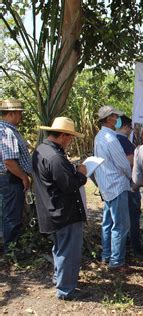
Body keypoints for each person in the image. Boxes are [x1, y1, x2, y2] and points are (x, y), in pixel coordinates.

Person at [32, 117, 88, 300]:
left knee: (60, 248)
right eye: (70, 137)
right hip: (64, 212)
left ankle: (60, 280)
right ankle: (65, 290)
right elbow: (69, 185)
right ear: (63, 135)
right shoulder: (55, 157)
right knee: (68, 251)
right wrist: (81, 174)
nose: (70, 141)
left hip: (52, 209)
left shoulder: (42, 149)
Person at [94, 105, 131, 270]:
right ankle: (116, 261)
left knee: (108, 223)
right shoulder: (111, 138)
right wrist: (132, 177)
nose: (117, 119)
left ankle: (106, 255)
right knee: (121, 225)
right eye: (115, 117)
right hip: (116, 185)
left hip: (106, 184)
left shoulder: (100, 136)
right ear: (109, 119)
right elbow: (123, 164)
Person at [0, 99, 32, 253]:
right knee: (12, 214)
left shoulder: (8, 129)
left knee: (9, 212)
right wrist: (24, 177)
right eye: (19, 114)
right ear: (11, 113)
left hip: (9, 177)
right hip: (11, 178)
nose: (21, 117)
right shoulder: (7, 131)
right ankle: (11, 249)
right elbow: (9, 161)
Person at [116, 115, 143, 257]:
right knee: (133, 217)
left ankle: (122, 247)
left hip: (117, 185)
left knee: (119, 218)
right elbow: (131, 162)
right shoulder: (125, 142)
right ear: (126, 127)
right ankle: (136, 248)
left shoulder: (111, 139)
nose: (130, 131)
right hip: (130, 185)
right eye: (130, 128)